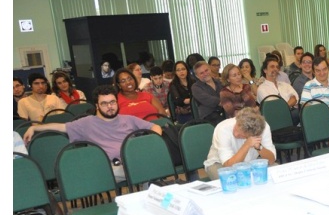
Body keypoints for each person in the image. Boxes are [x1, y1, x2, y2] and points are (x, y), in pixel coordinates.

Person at [23, 85, 162, 181]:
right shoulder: (87, 123)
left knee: (151, 166)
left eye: (113, 102)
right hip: (109, 168)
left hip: (133, 162)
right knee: (147, 171)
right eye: (104, 103)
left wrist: (151, 144)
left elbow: (155, 127)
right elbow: (61, 127)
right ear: (97, 106)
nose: (110, 107)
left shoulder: (128, 119)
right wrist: (35, 128)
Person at [203, 107, 276, 181]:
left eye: (242, 135)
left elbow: (271, 160)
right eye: (236, 128)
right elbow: (229, 166)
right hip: (218, 163)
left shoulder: (263, 128)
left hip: (250, 161)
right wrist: (246, 145)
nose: (236, 134)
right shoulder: (223, 129)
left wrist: (259, 147)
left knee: (275, 170)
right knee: (231, 181)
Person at [301, 56, 329, 135]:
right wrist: (325, 115)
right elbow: (306, 107)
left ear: (328, 69)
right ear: (313, 72)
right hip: (318, 118)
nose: (322, 73)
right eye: (318, 70)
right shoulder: (308, 86)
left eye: (324, 69)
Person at [192, 60, 224, 125]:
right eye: (201, 73)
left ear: (210, 69)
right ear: (197, 76)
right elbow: (209, 100)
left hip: (224, 112)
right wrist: (223, 102)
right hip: (209, 117)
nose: (205, 74)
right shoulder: (195, 87)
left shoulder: (220, 82)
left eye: (206, 70)